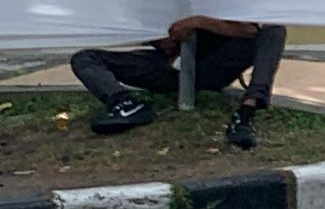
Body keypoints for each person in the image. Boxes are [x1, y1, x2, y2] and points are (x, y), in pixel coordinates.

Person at [71, 17, 288, 150]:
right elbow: (152, 36)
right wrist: (165, 39)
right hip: (169, 66)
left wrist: (199, 22)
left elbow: (249, 30)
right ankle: (126, 105)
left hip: (212, 65)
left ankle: (247, 111)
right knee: (85, 58)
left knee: (274, 30)